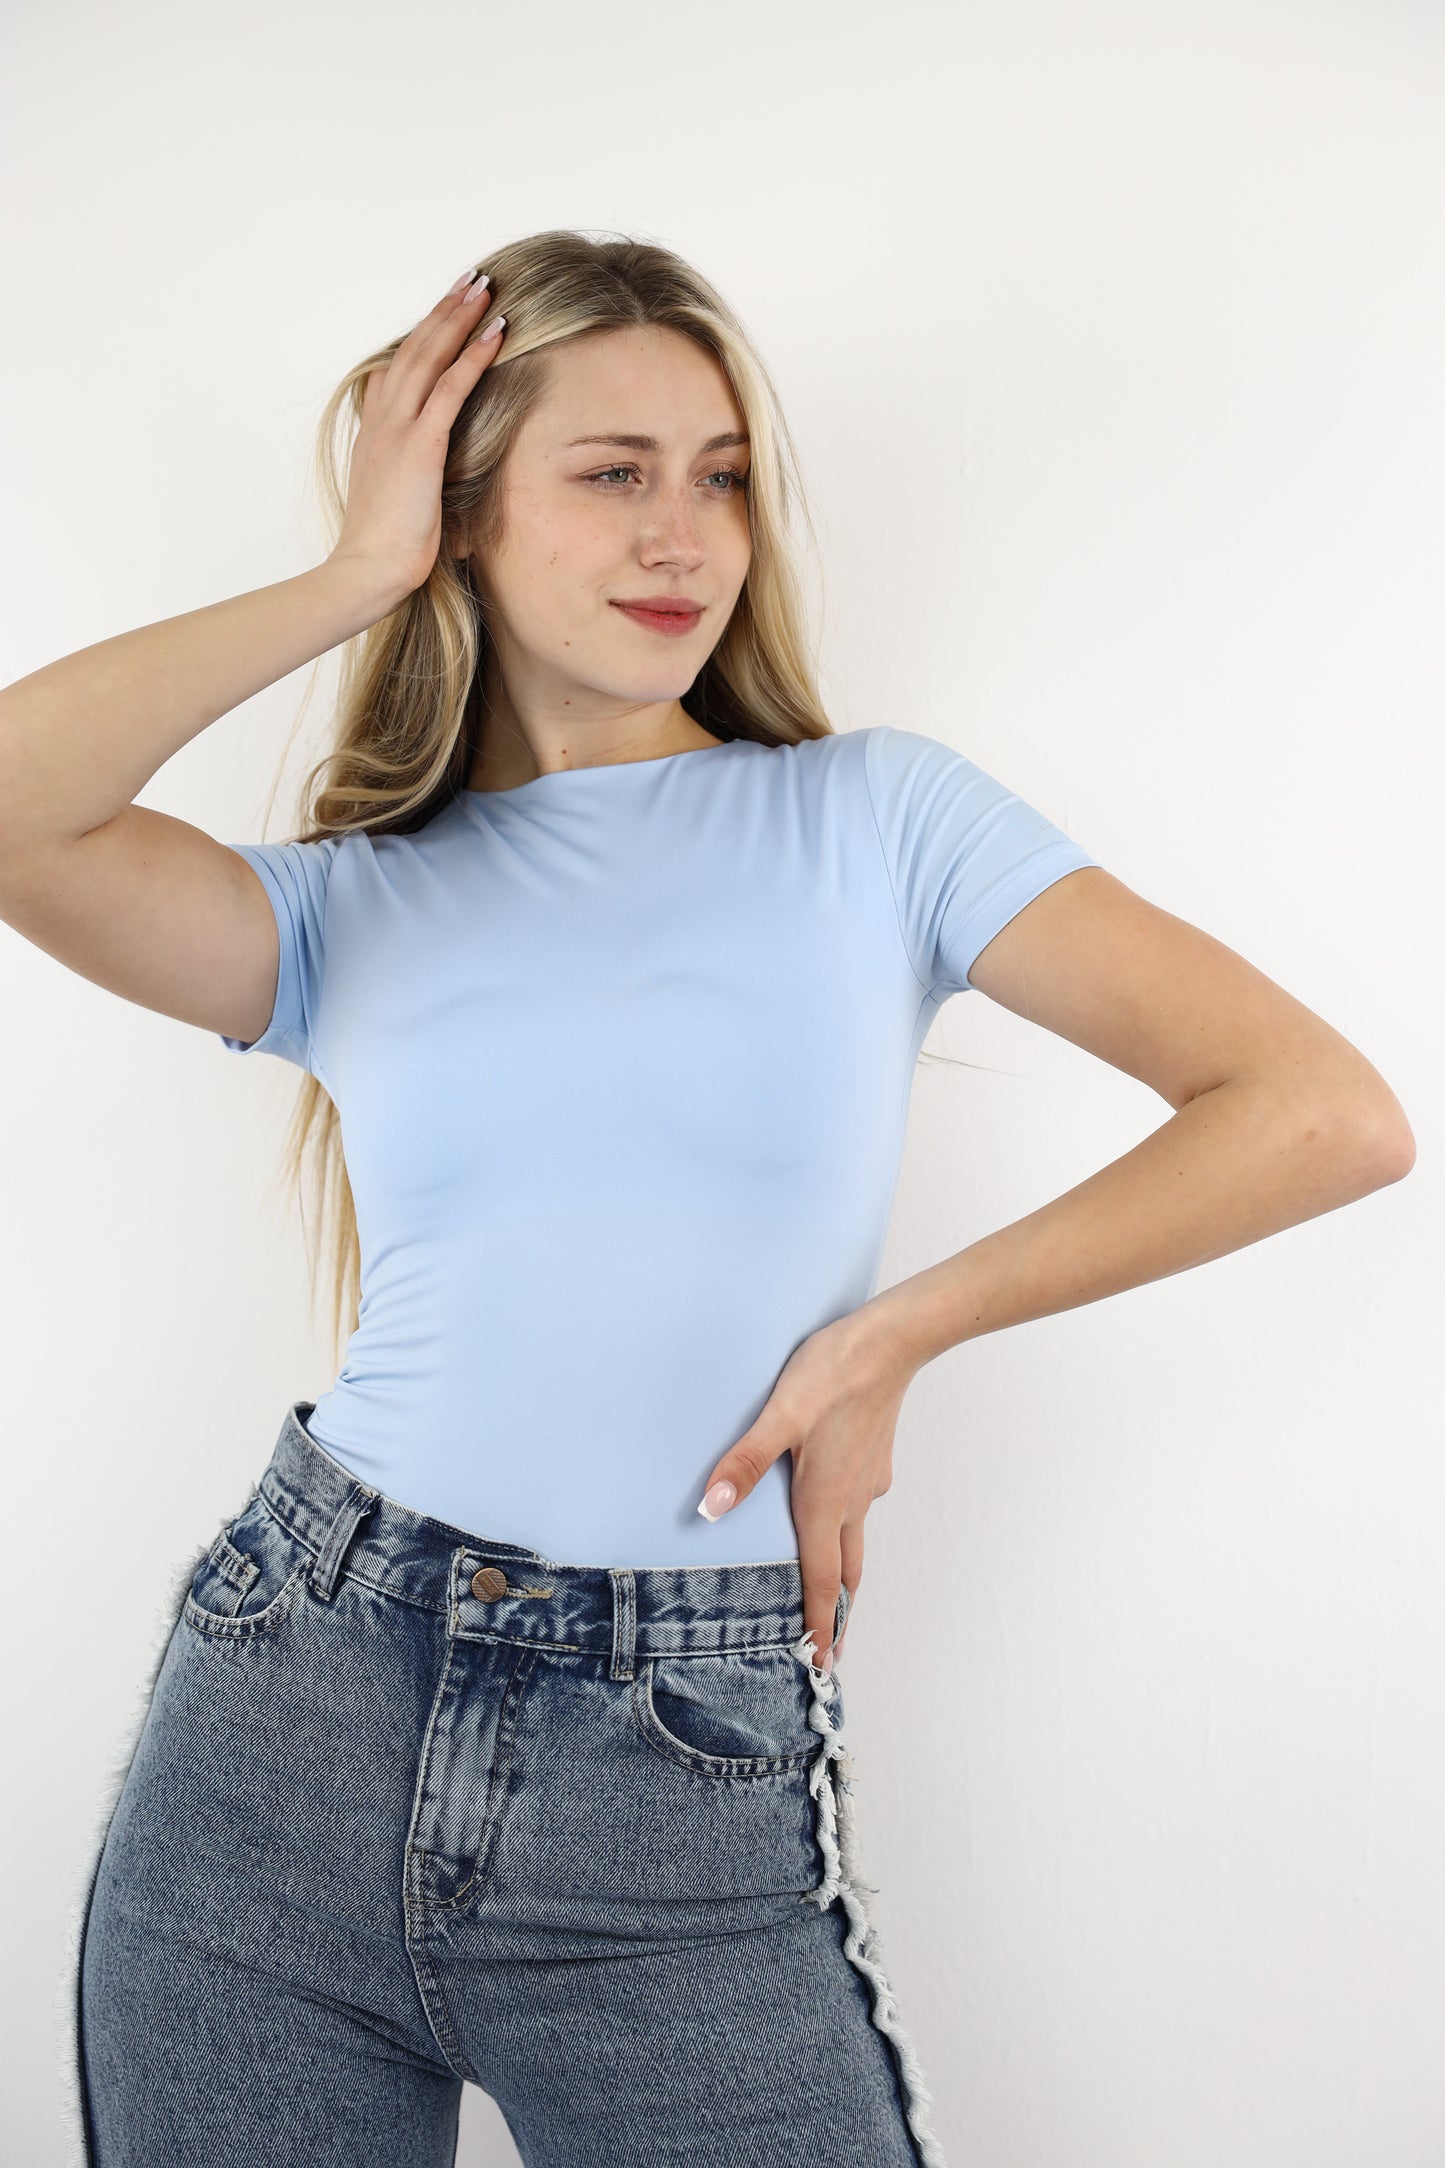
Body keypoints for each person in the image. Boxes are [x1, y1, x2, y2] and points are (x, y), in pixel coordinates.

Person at [0, 230, 1413, 2168]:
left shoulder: (877, 815)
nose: (685, 530)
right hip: (289, 1714)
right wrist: (350, 573)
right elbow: (15, 802)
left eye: (724, 472)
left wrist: (896, 1332)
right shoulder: (349, 904)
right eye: (612, 470)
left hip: (677, 1742)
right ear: (466, 510)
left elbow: (1322, 1112)